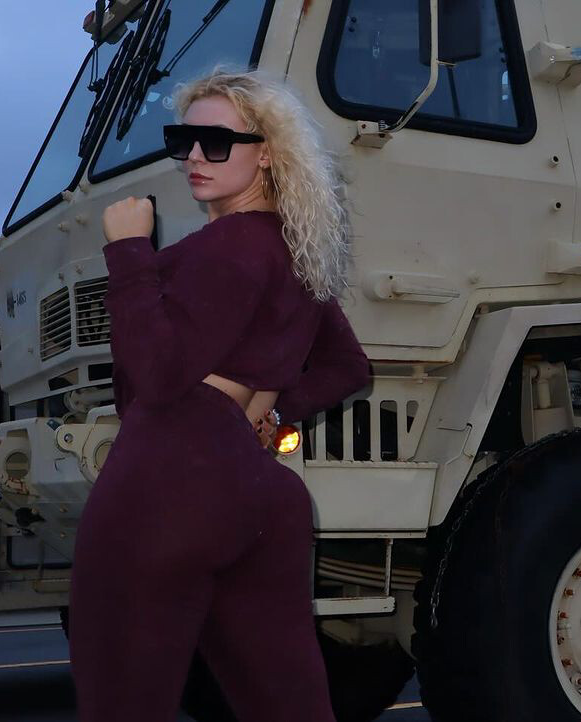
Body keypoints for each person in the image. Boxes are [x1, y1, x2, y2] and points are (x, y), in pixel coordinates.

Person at [68, 64, 370, 721]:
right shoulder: (296, 253)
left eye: (218, 142)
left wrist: (129, 251)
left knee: (122, 701)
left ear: (267, 154)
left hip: (169, 480)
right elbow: (348, 367)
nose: (195, 158)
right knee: (288, 706)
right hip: (260, 493)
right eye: (183, 141)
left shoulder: (225, 247)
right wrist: (276, 410)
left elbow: (158, 376)